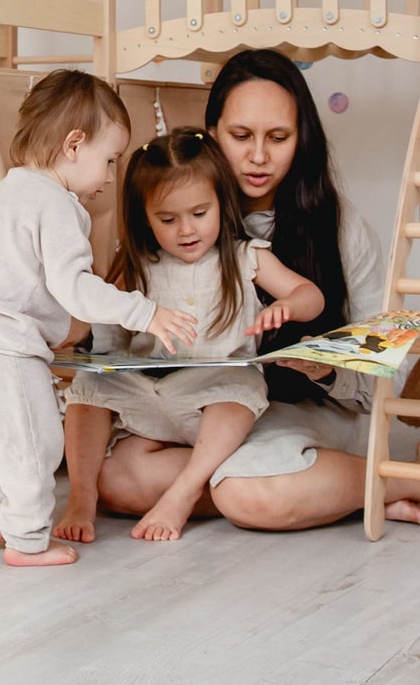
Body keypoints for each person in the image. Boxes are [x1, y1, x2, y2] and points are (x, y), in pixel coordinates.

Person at [96, 49, 420, 532]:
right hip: (206, 418)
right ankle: (336, 492)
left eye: (278, 138)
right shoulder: (173, 220)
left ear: (302, 138)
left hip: (308, 412)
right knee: (120, 479)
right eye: (240, 136)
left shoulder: (338, 224)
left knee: (247, 492)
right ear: (211, 134)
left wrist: (327, 370)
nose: (258, 156)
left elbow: (387, 353)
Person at [0, 70, 196, 567]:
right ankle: (27, 542)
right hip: (7, 351)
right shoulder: (56, 204)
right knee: (34, 444)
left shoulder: (7, 191)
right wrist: (144, 312)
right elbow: (75, 289)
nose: (110, 177)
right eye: (110, 160)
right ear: (74, 145)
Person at [56, 130, 323, 544]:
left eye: (200, 213)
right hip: (152, 393)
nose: (186, 230)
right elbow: (100, 315)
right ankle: (81, 496)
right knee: (88, 389)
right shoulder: (139, 263)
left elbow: (311, 296)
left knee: (238, 387)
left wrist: (286, 306)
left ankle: (183, 493)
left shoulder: (245, 256)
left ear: (221, 202)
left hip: (215, 397)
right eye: (167, 219)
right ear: (146, 217)